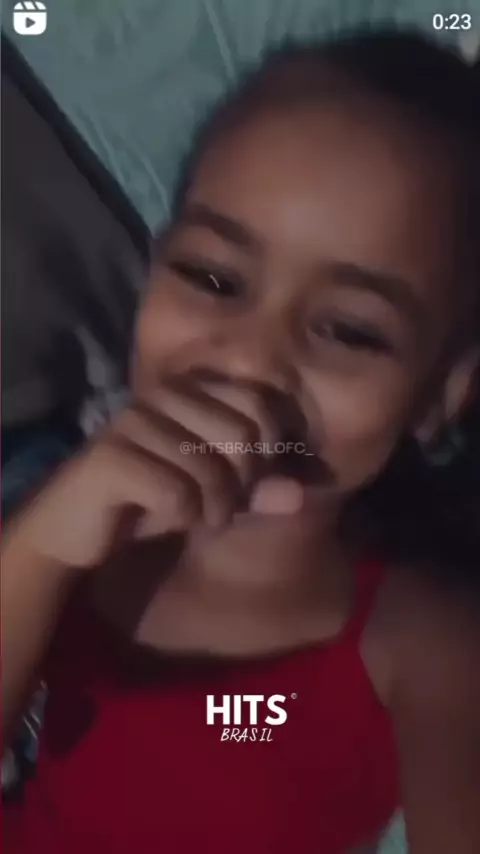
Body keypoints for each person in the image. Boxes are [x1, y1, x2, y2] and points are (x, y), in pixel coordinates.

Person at [2, 28, 480, 854]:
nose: (251, 361)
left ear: (442, 391)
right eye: (213, 277)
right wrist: (41, 547)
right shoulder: (74, 525)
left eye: (350, 329)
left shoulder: (426, 643)